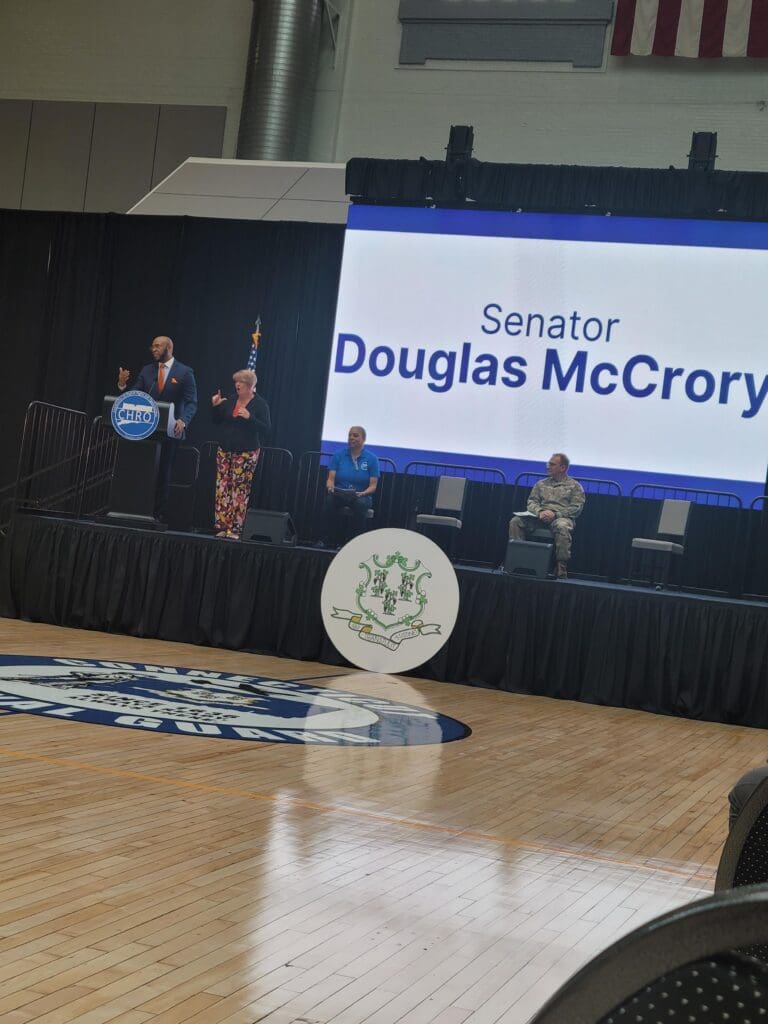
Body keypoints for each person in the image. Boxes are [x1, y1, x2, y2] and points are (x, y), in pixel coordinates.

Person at [117, 336, 198, 522]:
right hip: (146, 431)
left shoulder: (185, 372)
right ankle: (137, 509)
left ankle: (156, 513)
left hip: (170, 431)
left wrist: (183, 420)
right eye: (152, 345)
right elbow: (135, 396)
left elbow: (192, 402)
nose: (153, 349)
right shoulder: (147, 371)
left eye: (157, 345)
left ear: (169, 347)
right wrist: (122, 385)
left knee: (163, 472)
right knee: (142, 471)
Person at [211, 369, 271, 539]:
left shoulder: (260, 404)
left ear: (250, 386)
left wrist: (250, 418)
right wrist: (216, 407)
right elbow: (216, 421)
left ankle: (236, 528)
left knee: (239, 489)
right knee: (223, 487)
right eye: (236, 382)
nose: (237, 385)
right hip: (225, 450)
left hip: (246, 453)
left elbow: (267, 429)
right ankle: (222, 525)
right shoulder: (230, 400)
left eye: (241, 382)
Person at [508, 453, 585, 579]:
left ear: (562, 468)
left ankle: (561, 568)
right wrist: (539, 512)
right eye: (548, 464)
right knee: (516, 521)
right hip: (539, 517)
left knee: (562, 526)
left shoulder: (575, 487)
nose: (548, 467)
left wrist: (555, 514)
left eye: (552, 464)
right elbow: (531, 502)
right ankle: (518, 561)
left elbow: (576, 508)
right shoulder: (540, 484)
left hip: (562, 518)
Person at [320, 426, 379, 547]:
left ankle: (353, 544)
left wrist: (362, 493)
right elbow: (330, 479)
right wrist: (330, 487)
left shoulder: (372, 459)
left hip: (361, 495)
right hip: (340, 493)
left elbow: (373, 486)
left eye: (355, 435)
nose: (351, 437)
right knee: (329, 501)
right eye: (350, 435)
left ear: (363, 439)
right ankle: (325, 541)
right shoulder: (338, 455)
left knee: (361, 505)